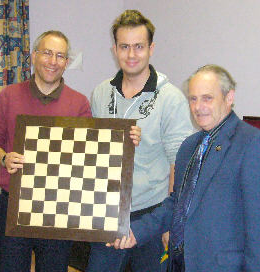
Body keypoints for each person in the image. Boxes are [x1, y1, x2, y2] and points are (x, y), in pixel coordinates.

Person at [112, 64, 260, 271]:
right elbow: (178, 203)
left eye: (207, 98)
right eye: (193, 98)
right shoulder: (189, 146)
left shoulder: (253, 144)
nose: (198, 106)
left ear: (229, 97)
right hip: (180, 263)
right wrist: (137, 231)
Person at [86, 10, 193, 272]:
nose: (131, 55)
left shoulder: (171, 98)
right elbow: (94, 152)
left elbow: (178, 165)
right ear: (114, 49)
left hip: (152, 215)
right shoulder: (100, 93)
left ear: (151, 49)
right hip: (108, 212)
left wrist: (170, 222)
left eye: (138, 47)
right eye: (124, 47)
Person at [0, 30, 92, 272]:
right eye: (47, 53)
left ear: (67, 63)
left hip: (58, 207)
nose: (53, 61)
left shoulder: (79, 103)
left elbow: (87, 154)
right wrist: (4, 157)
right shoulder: (9, 96)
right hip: (14, 205)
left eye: (60, 56)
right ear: (33, 56)